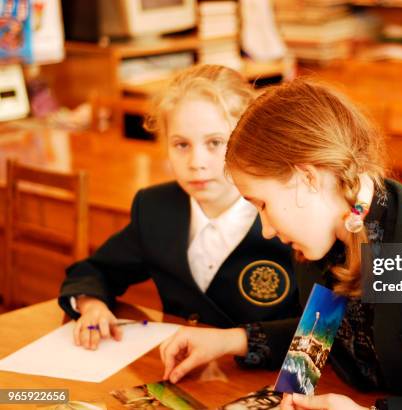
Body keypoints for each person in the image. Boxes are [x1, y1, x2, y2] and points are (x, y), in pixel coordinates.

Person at [159, 79, 402, 409]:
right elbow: (326, 332)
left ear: (308, 178)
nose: (265, 228)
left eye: (263, 204)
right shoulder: (318, 236)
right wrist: (233, 340)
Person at [58, 65, 298, 350]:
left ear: (250, 140)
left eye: (215, 142)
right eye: (181, 145)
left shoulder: (289, 214)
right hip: (182, 375)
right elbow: (94, 271)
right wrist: (92, 305)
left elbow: (329, 323)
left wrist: (237, 342)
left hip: (272, 381)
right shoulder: (156, 209)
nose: (196, 162)